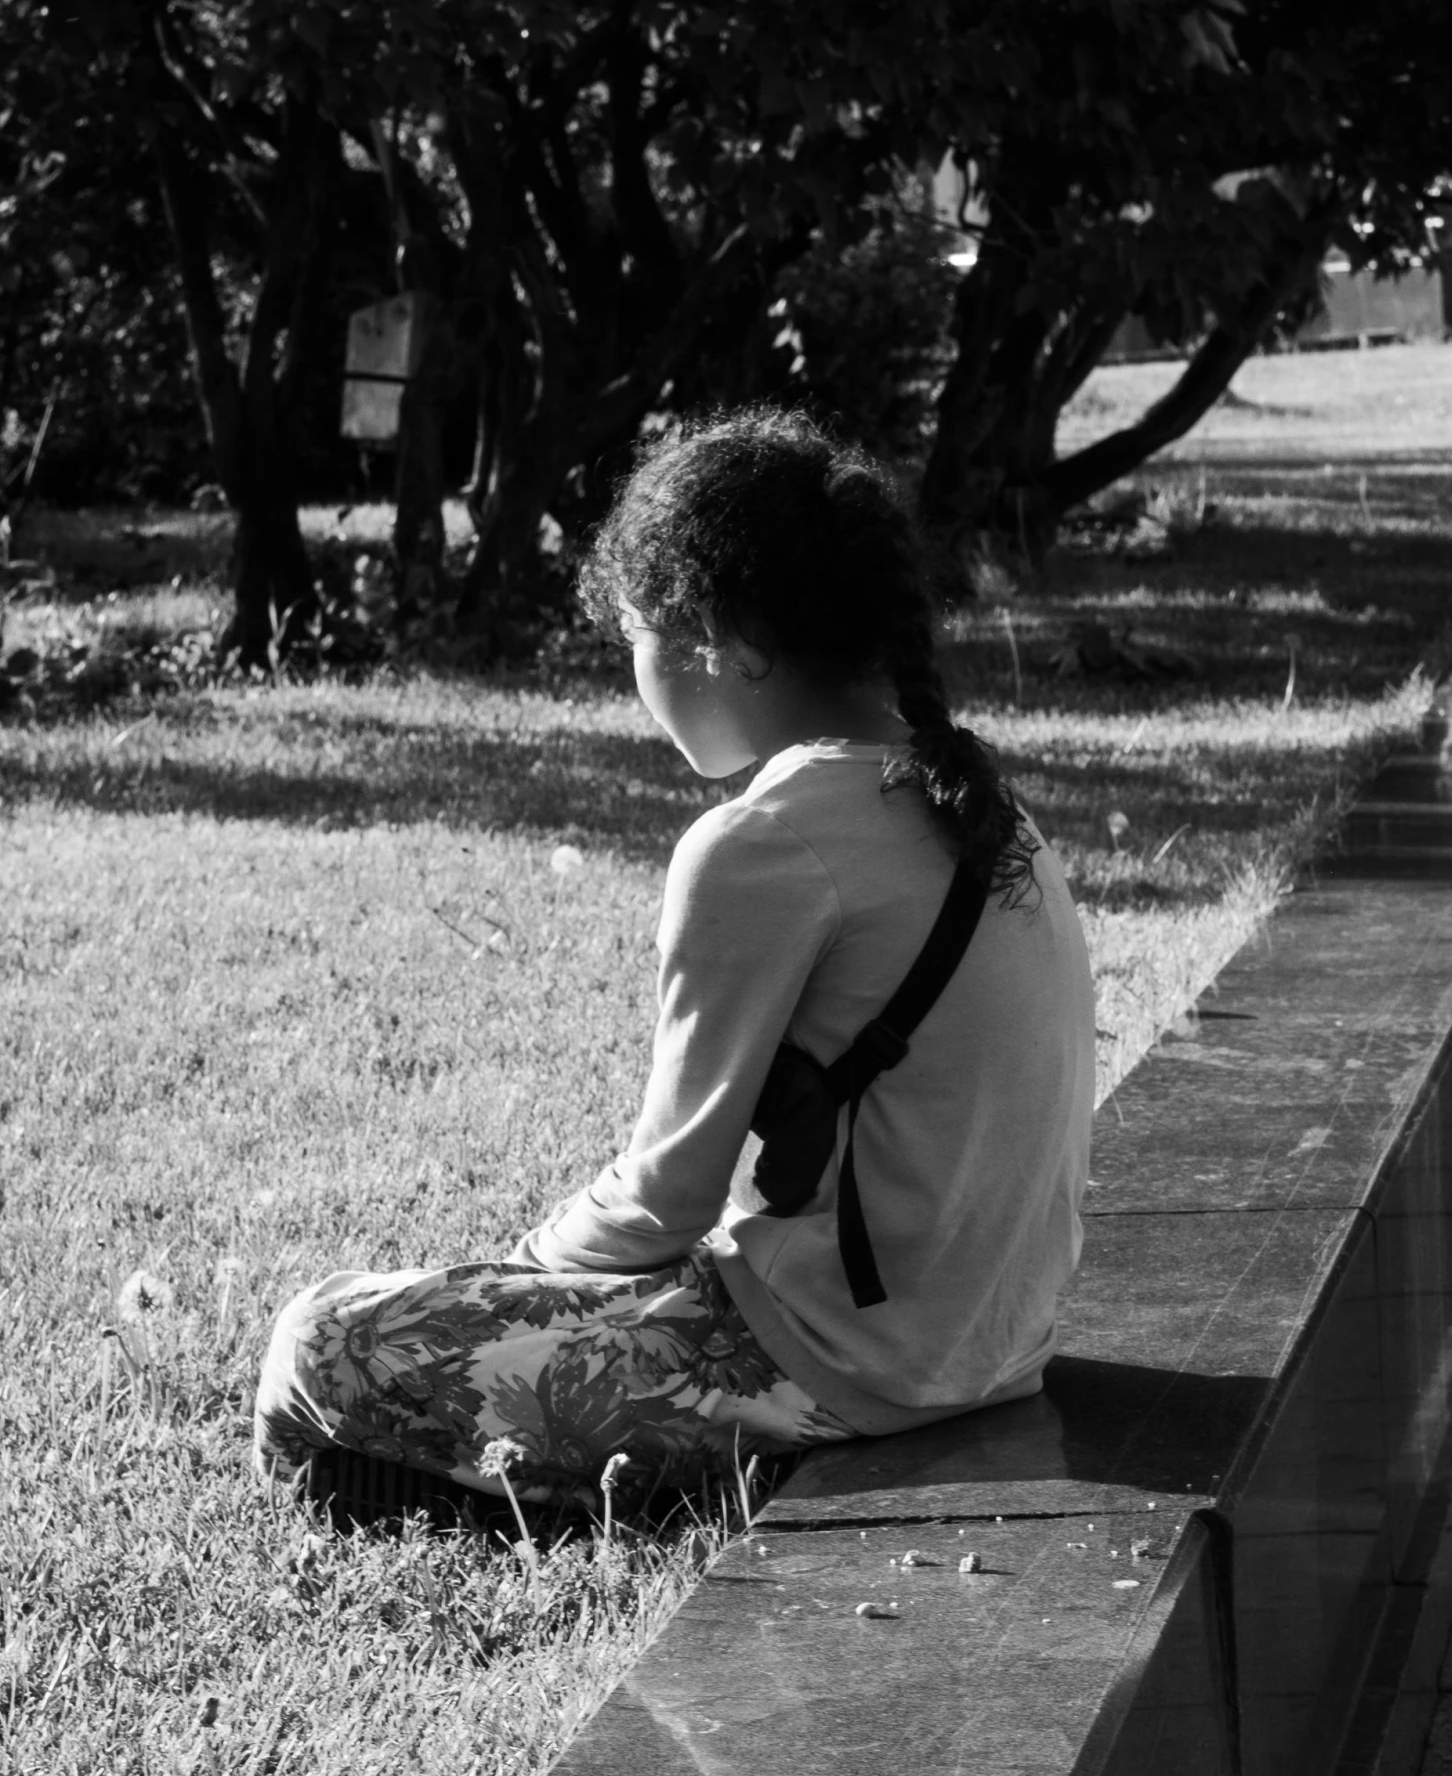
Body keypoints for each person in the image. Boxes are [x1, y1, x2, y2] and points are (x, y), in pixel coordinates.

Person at [254, 410, 1095, 1508]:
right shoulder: (983, 801)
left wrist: (517, 1270)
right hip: (994, 1353)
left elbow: (665, 1200)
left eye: (634, 635)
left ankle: (527, 1490)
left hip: (837, 1370)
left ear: (724, 641)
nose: (636, 674)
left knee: (319, 1340)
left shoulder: (761, 845)